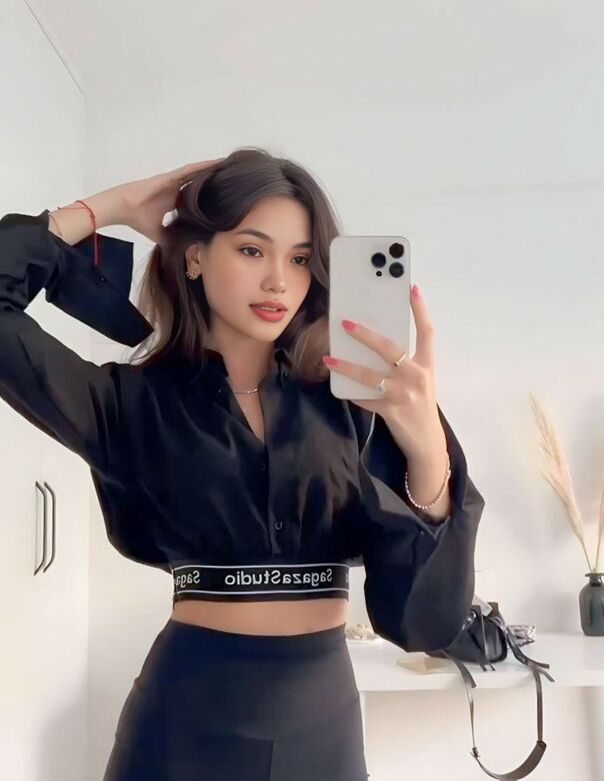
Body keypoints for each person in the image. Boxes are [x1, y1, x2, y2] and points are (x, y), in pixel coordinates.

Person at [0, 147, 485, 780]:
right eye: (253, 250)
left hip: (325, 733)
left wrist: (428, 455)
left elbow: (427, 624)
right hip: (181, 729)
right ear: (195, 257)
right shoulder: (130, 402)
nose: (279, 280)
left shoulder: (357, 402)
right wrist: (110, 206)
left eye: (300, 259)